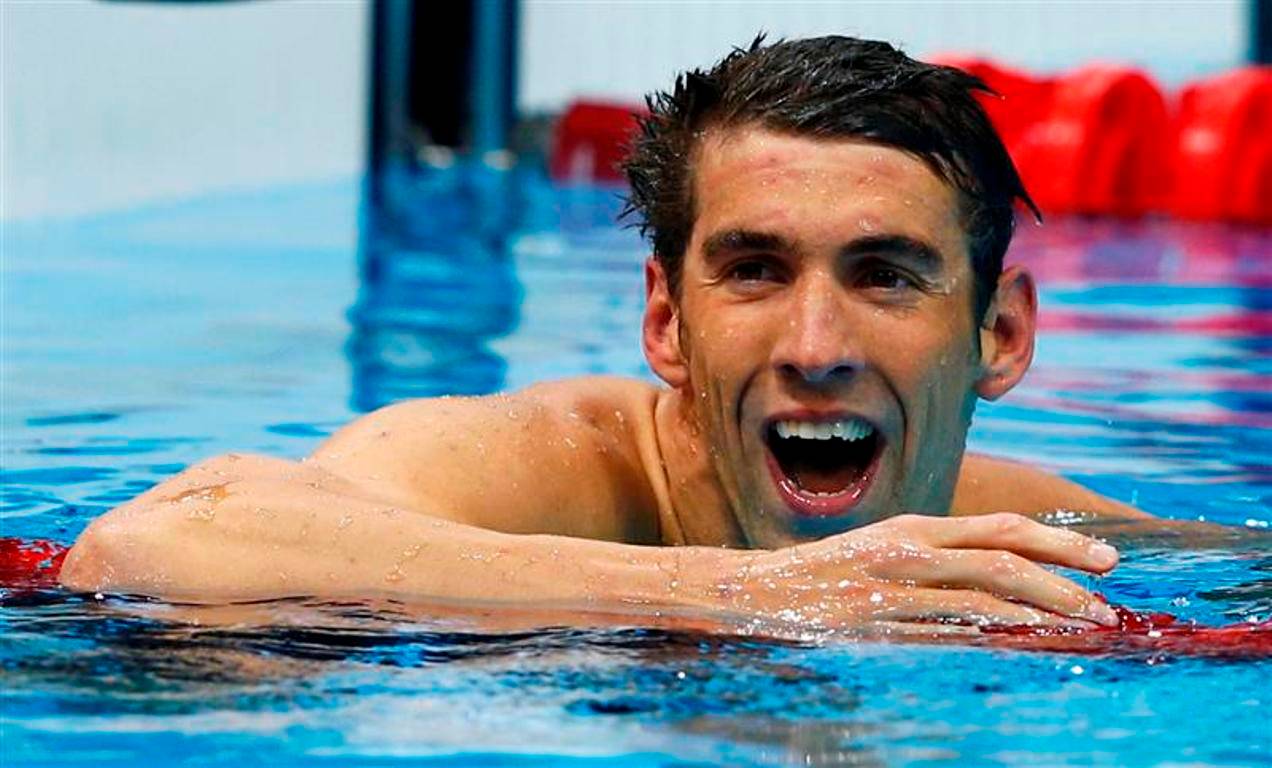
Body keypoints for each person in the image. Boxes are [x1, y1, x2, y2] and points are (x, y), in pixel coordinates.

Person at [61, 35, 1156, 634]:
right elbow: (153, 550)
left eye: (884, 276)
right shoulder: (545, 464)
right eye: (755, 271)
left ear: (1001, 334)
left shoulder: (1001, 525)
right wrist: (754, 596)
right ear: (666, 323)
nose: (815, 344)